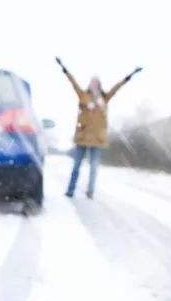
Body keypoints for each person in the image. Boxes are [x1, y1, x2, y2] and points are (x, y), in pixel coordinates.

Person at [56, 57, 142, 199]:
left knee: (93, 168)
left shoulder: (105, 97)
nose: (93, 85)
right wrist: (64, 68)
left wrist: (130, 75)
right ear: (89, 85)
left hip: (97, 138)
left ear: (99, 85)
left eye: (96, 83)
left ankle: (90, 192)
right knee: (76, 167)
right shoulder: (83, 95)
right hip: (83, 136)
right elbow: (73, 83)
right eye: (92, 82)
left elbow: (117, 87)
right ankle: (70, 191)